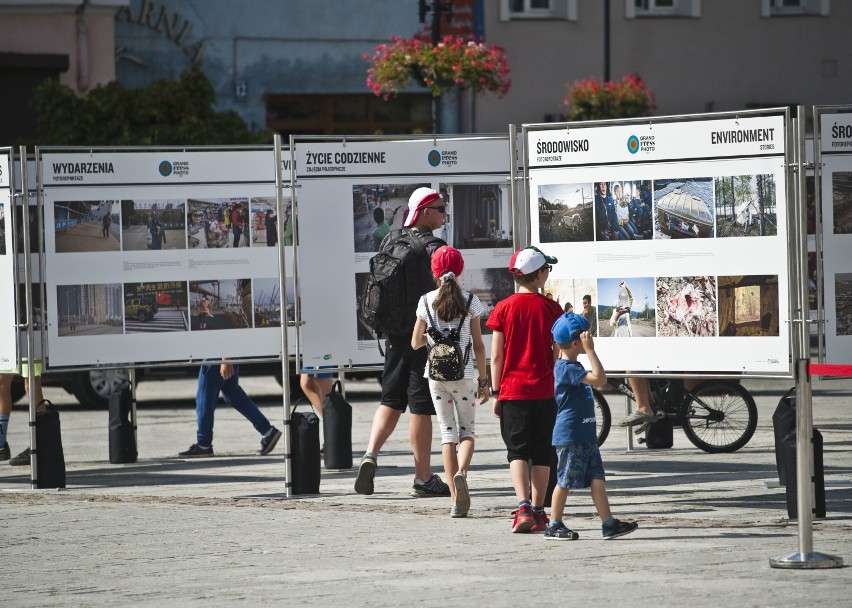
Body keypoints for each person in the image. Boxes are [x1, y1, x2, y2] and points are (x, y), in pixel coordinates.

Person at [354, 187, 451, 498]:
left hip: (395, 334)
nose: (443, 213)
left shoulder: (390, 239)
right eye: (439, 208)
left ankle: (370, 454)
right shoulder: (435, 247)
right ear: (424, 211)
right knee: (420, 406)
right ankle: (423, 478)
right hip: (424, 336)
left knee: (391, 399)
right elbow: (448, 293)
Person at [487, 245, 563, 533]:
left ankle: (522, 508)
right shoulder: (551, 308)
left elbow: (497, 356)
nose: (547, 274)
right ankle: (540, 510)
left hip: (513, 391)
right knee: (543, 451)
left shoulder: (504, 308)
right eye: (547, 269)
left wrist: (496, 392)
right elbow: (556, 350)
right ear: (539, 275)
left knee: (516, 451)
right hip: (545, 390)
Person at [546, 312, 639, 540]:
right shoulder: (567, 368)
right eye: (586, 336)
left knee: (597, 477)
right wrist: (591, 350)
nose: (590, 338)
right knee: (564, 480)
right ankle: (554, 524)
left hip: (585, 434)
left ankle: (608, 523)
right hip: (571, 436)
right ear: (576, 342)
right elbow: (600, 378)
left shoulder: (571, 365)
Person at [411, 245, 488, 518]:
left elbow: (415, 342)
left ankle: (455, 502)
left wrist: (434, 337)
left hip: (435, 377)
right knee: (467, 431)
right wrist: (485, 380)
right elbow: (478, 345)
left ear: (433, 272)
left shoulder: (425, 301)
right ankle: (461, 473)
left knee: (447, 434)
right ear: (461, 270)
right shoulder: (470, 301)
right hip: (465, 376)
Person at [179, 360, 282, 457]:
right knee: (232, 394)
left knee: (205, 399)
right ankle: (268, 431)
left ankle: (204, 445)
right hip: (227, 354)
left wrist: (225, 359)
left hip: (217, 355)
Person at [1, 364, 45, 466]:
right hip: (9, 347)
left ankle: (40, 445)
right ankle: (1, 444)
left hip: (30, 348)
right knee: (1, 382)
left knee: (31, 384)